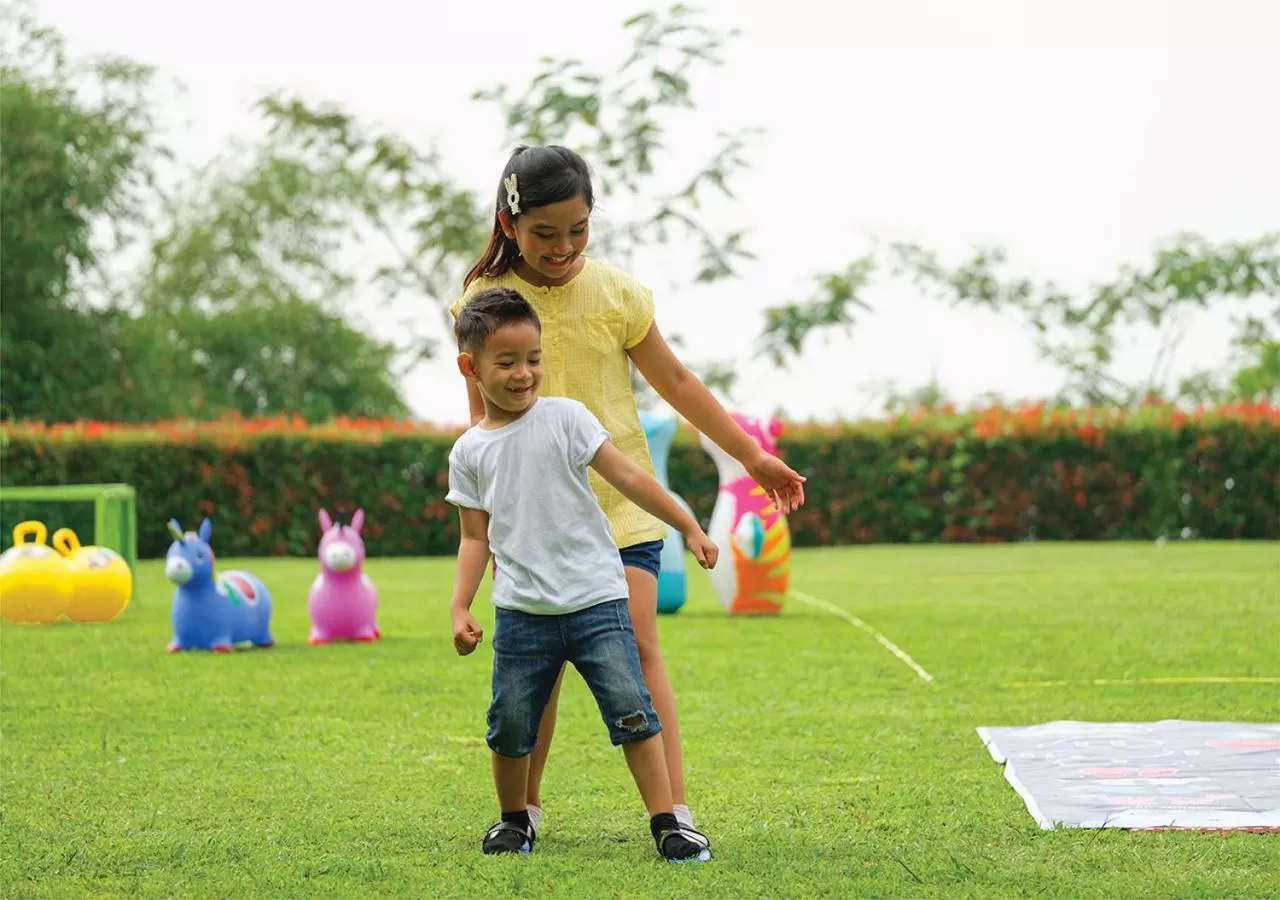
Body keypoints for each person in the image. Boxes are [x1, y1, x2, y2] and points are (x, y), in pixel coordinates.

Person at [451, 144, 808, 841]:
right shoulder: (484, 308)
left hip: (624, 509)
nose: (563, 247)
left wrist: (749, 455)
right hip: (534, 522)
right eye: (545, 233)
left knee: (640, 648)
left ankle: (672, 813)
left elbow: (677, 384)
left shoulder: (618, 295)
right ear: (509, 223)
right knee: (539, 671)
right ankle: (523, 814)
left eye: (578, 229)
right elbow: (481, 427)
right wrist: (493, 529)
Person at [446, 287, 719, 862]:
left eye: (533, 359)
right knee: (511, 725)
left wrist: (686, 525)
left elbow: (631, 478)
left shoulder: (566, 419)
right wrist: (460, 606)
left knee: (633, 712)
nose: (525, 374)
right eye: (507, 362)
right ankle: (514, 821)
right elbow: (475, 537)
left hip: (597, 603)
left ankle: (668, 821)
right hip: (521, 614)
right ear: (470, 368)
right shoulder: (469, 452)